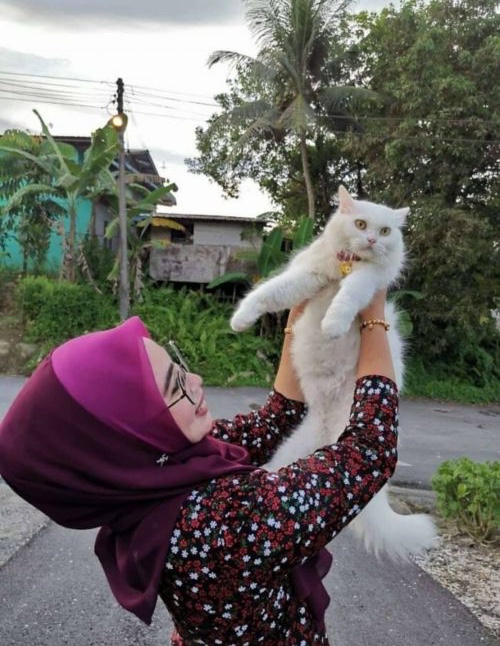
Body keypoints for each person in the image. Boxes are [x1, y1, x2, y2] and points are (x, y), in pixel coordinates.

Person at [0, 290, 398, 646]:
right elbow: (368, 451)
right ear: (129, 434)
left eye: (178, 364)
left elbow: (274, 421)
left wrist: (299, 317)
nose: (196, 379)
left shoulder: (160, 471)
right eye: (176, 387)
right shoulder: (217, 524)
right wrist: (374, 316)